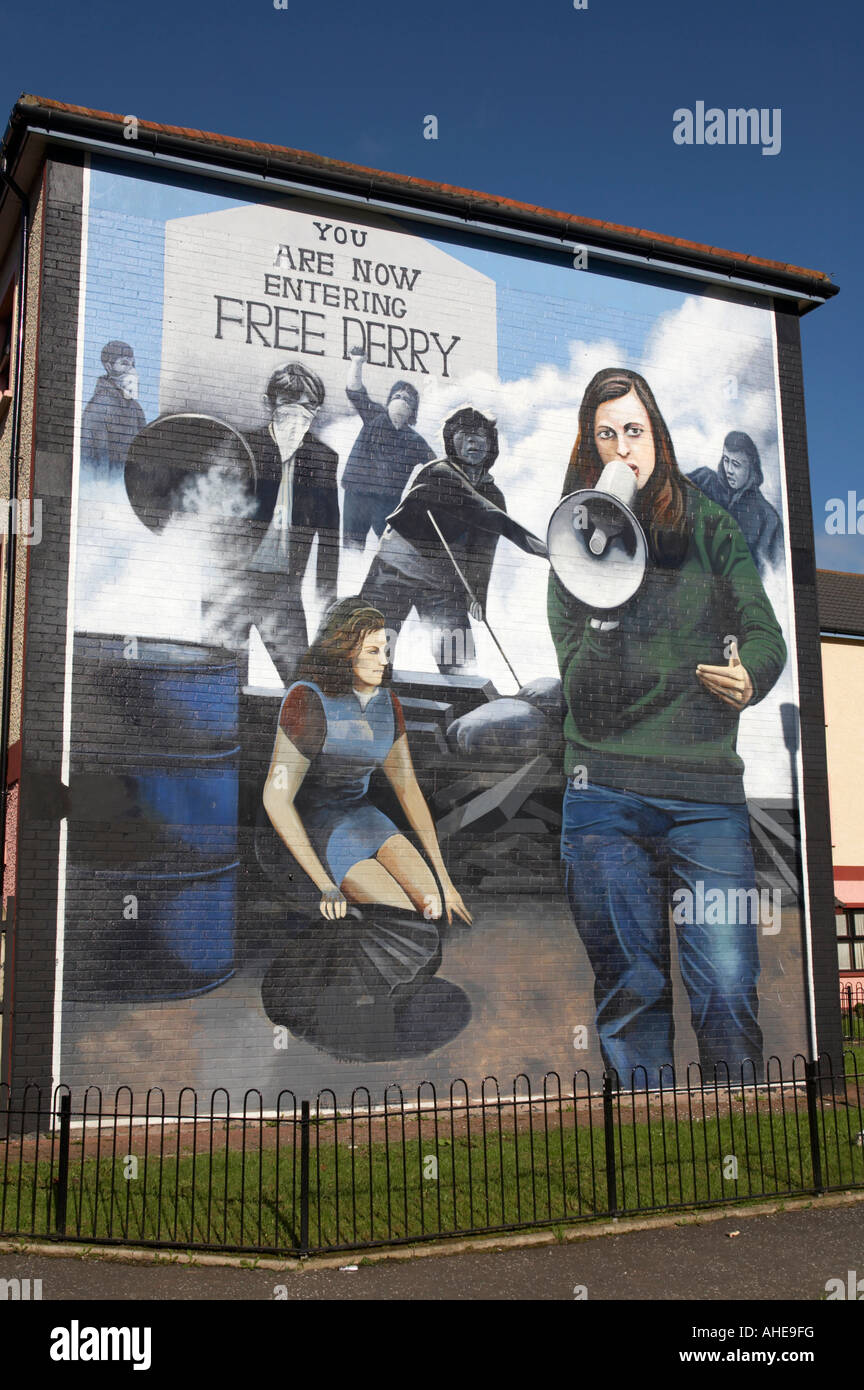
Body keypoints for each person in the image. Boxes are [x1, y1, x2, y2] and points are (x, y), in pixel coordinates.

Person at [548, 368, 787, 1086]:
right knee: (630, 994)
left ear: (658, 438)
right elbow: (583, 696)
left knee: (728, 995)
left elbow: (764, 631)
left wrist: (752, 676)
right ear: (590, 452)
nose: (624, 449)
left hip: (704, 800)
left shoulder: (710, 527)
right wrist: (604, 601)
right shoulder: (573, 544)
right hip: (604, 799)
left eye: (635, 431)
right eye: (607, 436)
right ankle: (653, 1169)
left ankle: (739, 1150)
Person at [262, 596, 472, 925]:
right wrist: (326, 886)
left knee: (433, 907)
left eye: (385, 650)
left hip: (365, 819)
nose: (384, 661)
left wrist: (445, 881)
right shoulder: (306, 699)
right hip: (319, 826)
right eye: (373, 651)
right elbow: (276, 798)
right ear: (344, 651)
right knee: (402, 917)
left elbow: (407, 789)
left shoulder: (387, 703)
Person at [361, 405, 547, 674]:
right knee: (372, 652)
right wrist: (546, 551)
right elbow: (490, 515)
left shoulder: (493, 494)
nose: (472, 441)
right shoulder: (439, 472)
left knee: (459, 663)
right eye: (464, 434)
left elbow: (483, 550)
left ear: (491, 443)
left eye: (480, 435)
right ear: (451, 441)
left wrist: (477, 596)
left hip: (442, 583)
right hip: (392, 573)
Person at [201, 361, 338, 684]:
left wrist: (327, 595)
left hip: (283, 589)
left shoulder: (323, 458)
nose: (299, 415)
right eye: (288, 404)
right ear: (269, 404)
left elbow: (330, 531)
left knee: (303, 686)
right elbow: (213, 517)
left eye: (309, 407)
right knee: (223, 681)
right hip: (231, 585)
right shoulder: (242, 447)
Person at [342, 348, 435, 550]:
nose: (402, 399)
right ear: (389, 401)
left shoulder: (415, 440)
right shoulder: (374, 415)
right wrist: (356, 362)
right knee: (352, 546)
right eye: (397, 395)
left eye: (408, 399)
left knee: (392, 547)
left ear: (412, 411)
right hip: (358, 492)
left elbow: (435, 467)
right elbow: (355, 391)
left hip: (387, 500)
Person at [688, 431, 783, 575]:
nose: (729, 470)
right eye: (726, 460)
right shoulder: (703, 481)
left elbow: (772, 575)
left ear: (751, 467)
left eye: (736, 464)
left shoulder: (768, 519)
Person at [81, 340, 146, 484]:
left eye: (132, 364)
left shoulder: (136, 409)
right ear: (109, 367)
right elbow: (97, 459)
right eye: (124, 363)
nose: (131, 370)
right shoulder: (99, 406)